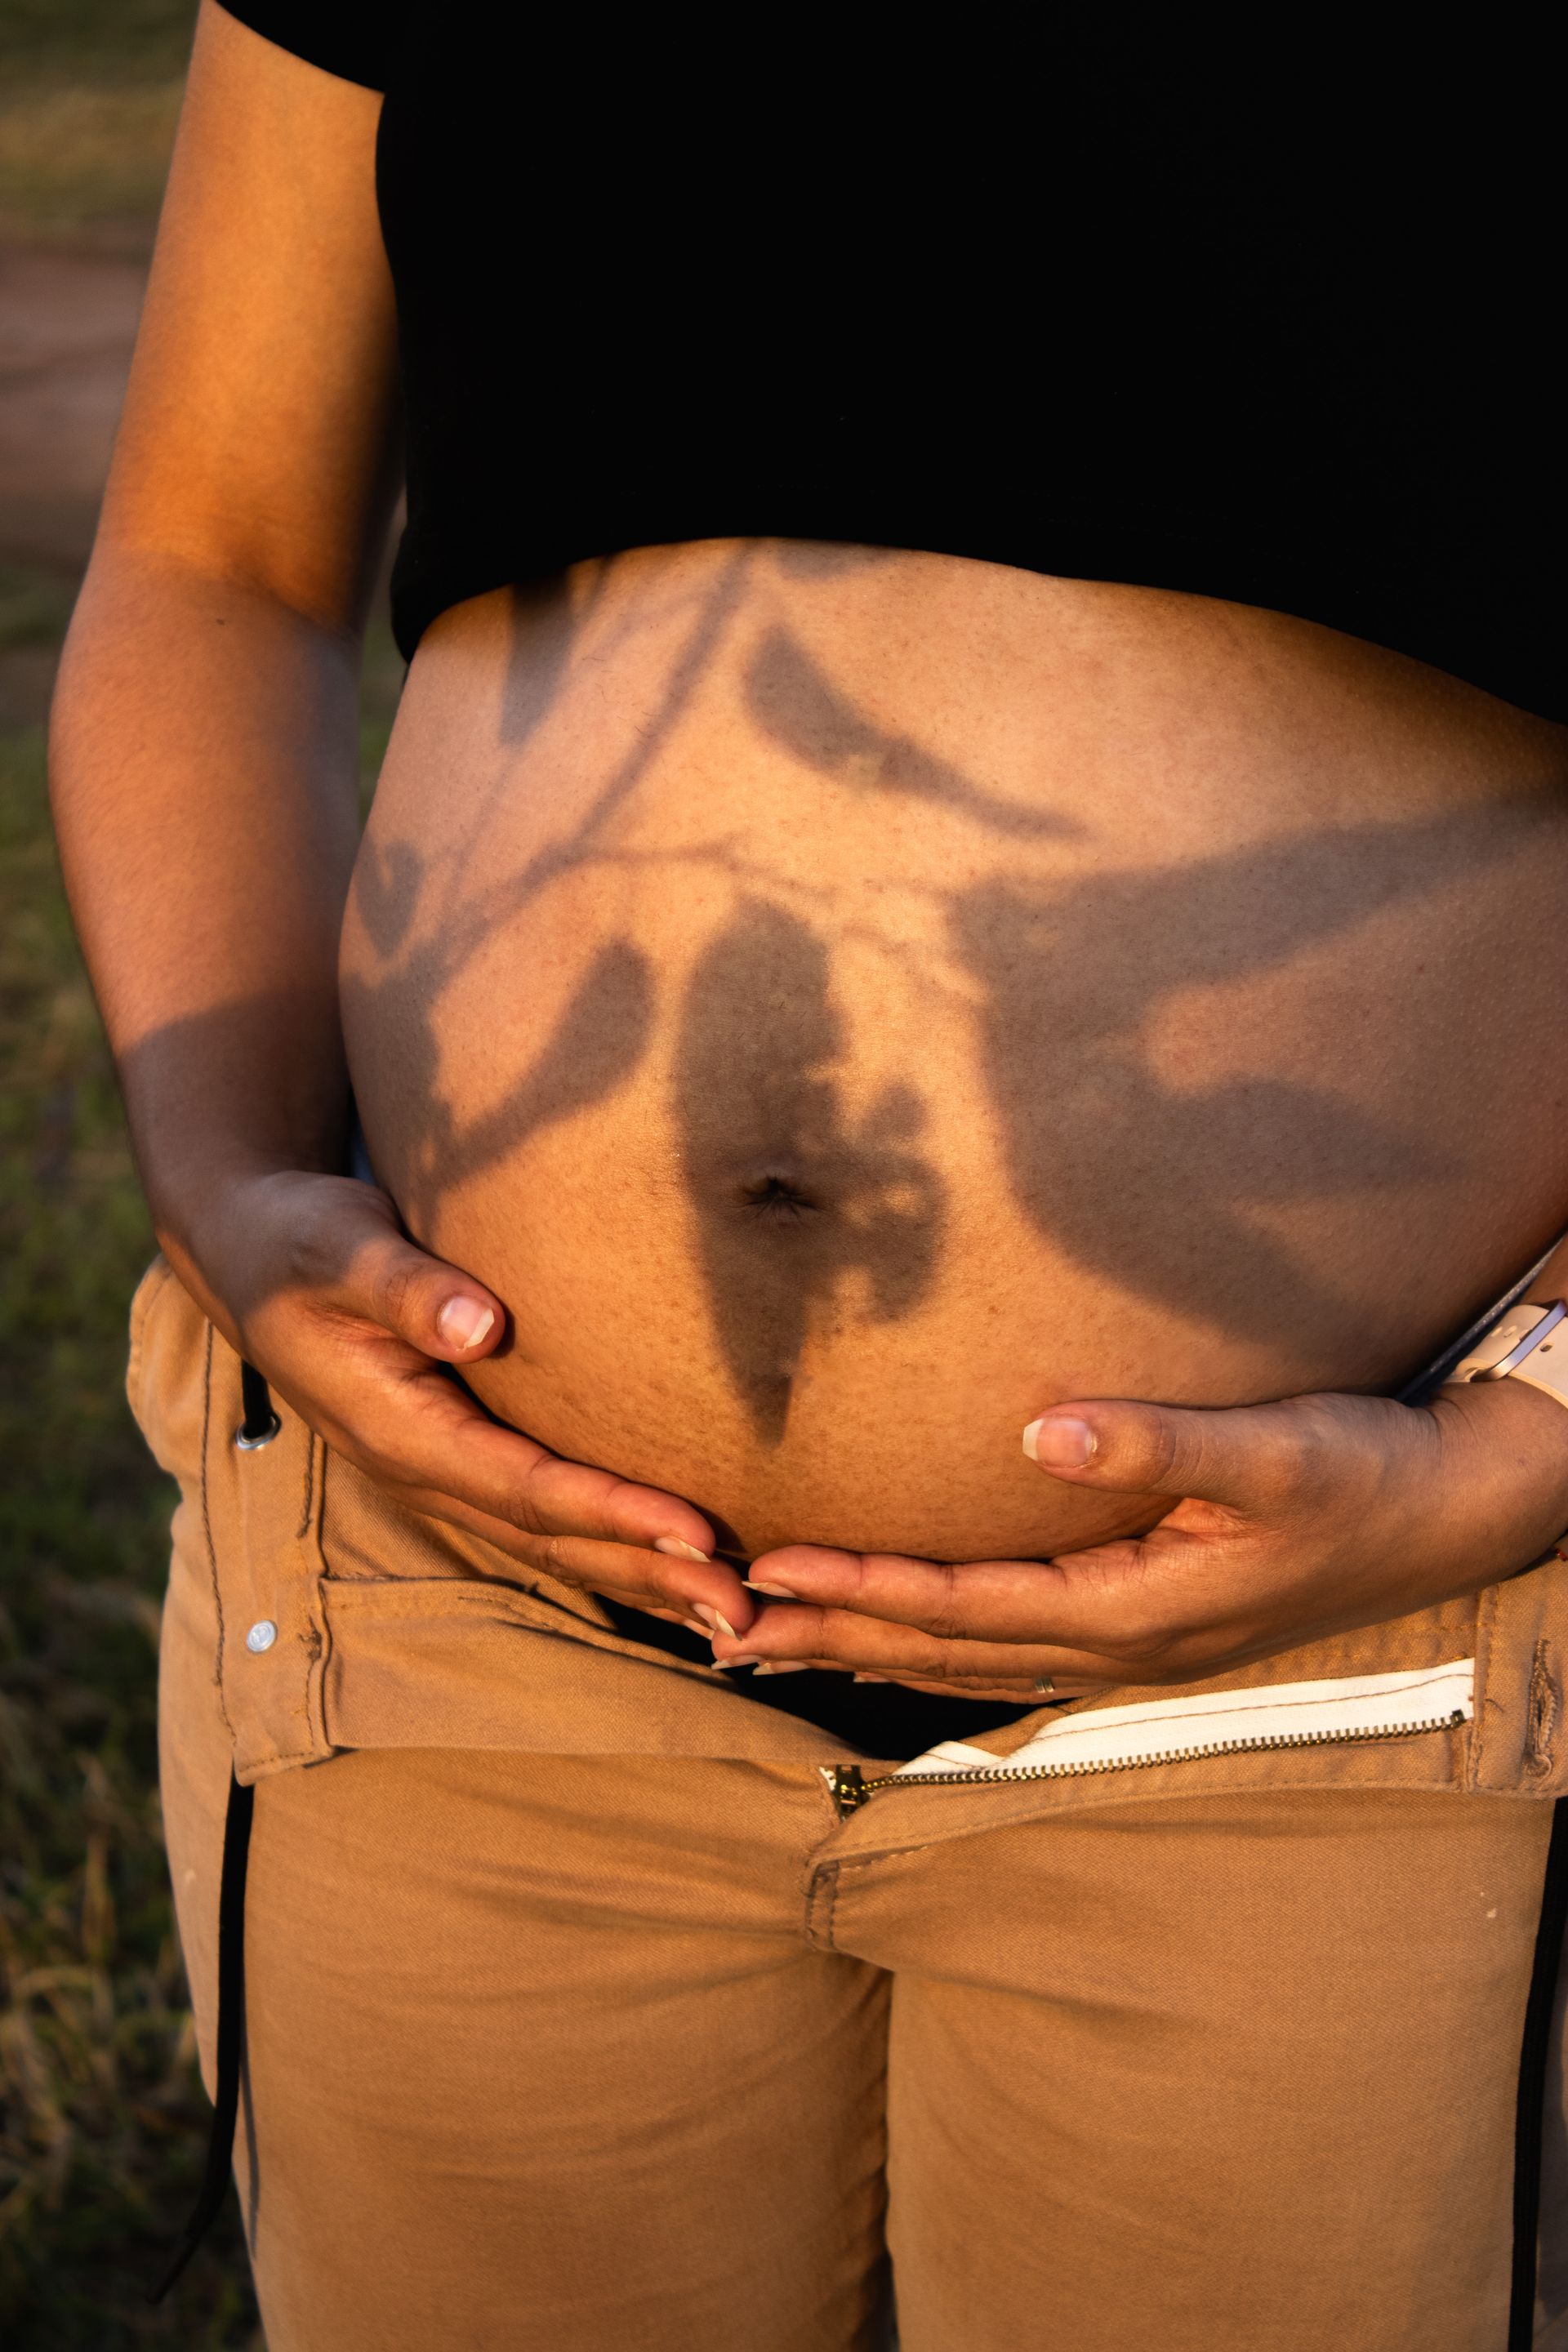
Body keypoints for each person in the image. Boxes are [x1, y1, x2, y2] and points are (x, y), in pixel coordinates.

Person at [49, 7, 1568, 2346]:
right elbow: (215, 555)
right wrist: (232, 1183)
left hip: (1340, 1678)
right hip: (471, 1615)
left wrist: (1542, 1424)